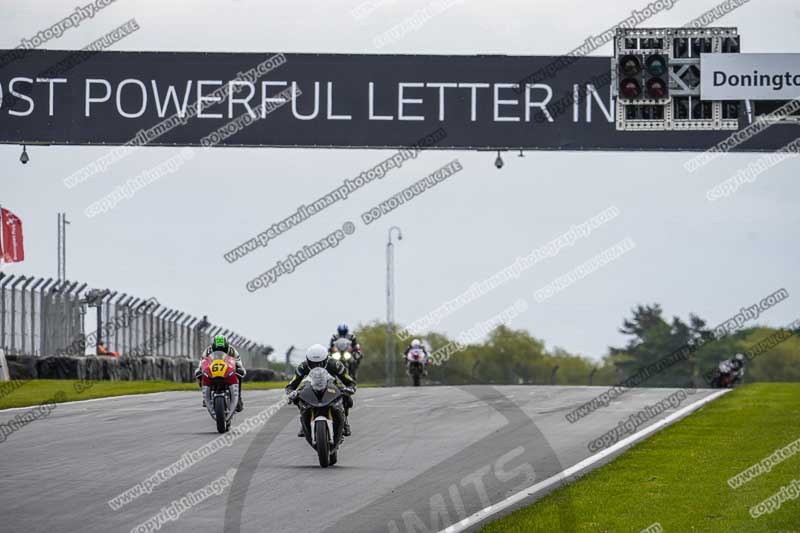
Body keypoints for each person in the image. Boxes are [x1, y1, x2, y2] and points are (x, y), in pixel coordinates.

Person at [286, 343, 357, 437]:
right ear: (308, 360)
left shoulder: (335, 364)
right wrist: (291, 392)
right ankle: (303, 421)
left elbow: (349, 381)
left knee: (347, 398)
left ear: (326, 359)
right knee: (297, 398)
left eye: (320, 363)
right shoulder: (302, 367)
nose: (317, 365)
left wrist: (349, 388)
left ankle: (345, 422)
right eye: (313, 363)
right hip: (311, 387)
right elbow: (291, 384)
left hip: (331, 386)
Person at [194, 334, 246, 412]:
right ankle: (205, 396)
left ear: (226, 345)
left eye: (222, 348)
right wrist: (200, 370)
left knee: (238, 375)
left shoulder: (232, 350)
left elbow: (239, 362)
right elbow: (202, 362)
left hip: (227, 369)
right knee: (201, 374)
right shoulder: (208, 351)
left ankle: (238, 398)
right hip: (213, 370)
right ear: (214, 346)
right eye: (218, 348)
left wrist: (240, 369)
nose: (220, 350)